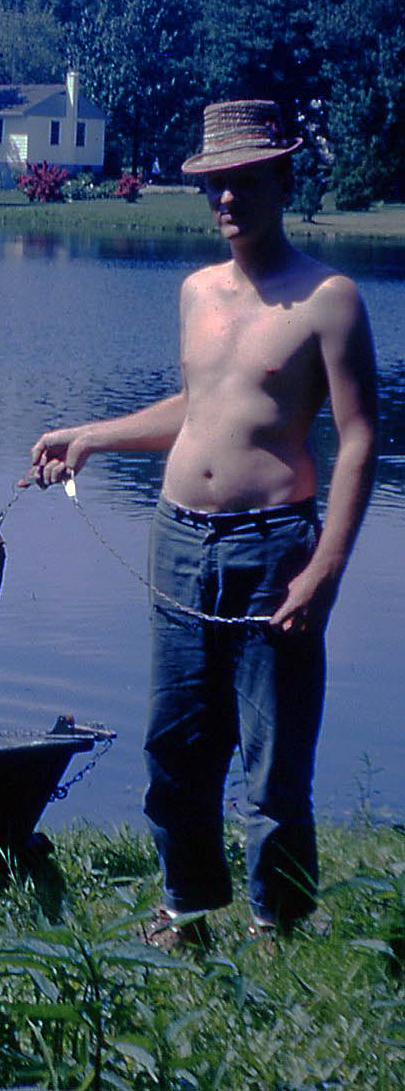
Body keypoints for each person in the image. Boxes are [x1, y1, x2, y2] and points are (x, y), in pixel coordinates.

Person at [24, 100, 377, 946]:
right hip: (177, 539)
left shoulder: (328, 299)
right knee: (174, 745)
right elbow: (198, 406)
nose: (226, 199)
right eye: (214, 185)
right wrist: (92, 435)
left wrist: (324, 569)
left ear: (281, 181)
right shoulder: (195, 292)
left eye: (244, 182)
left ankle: (276, 925)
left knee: (272, 757)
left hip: (273, 546)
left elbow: (360, 439)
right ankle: (185, 909)